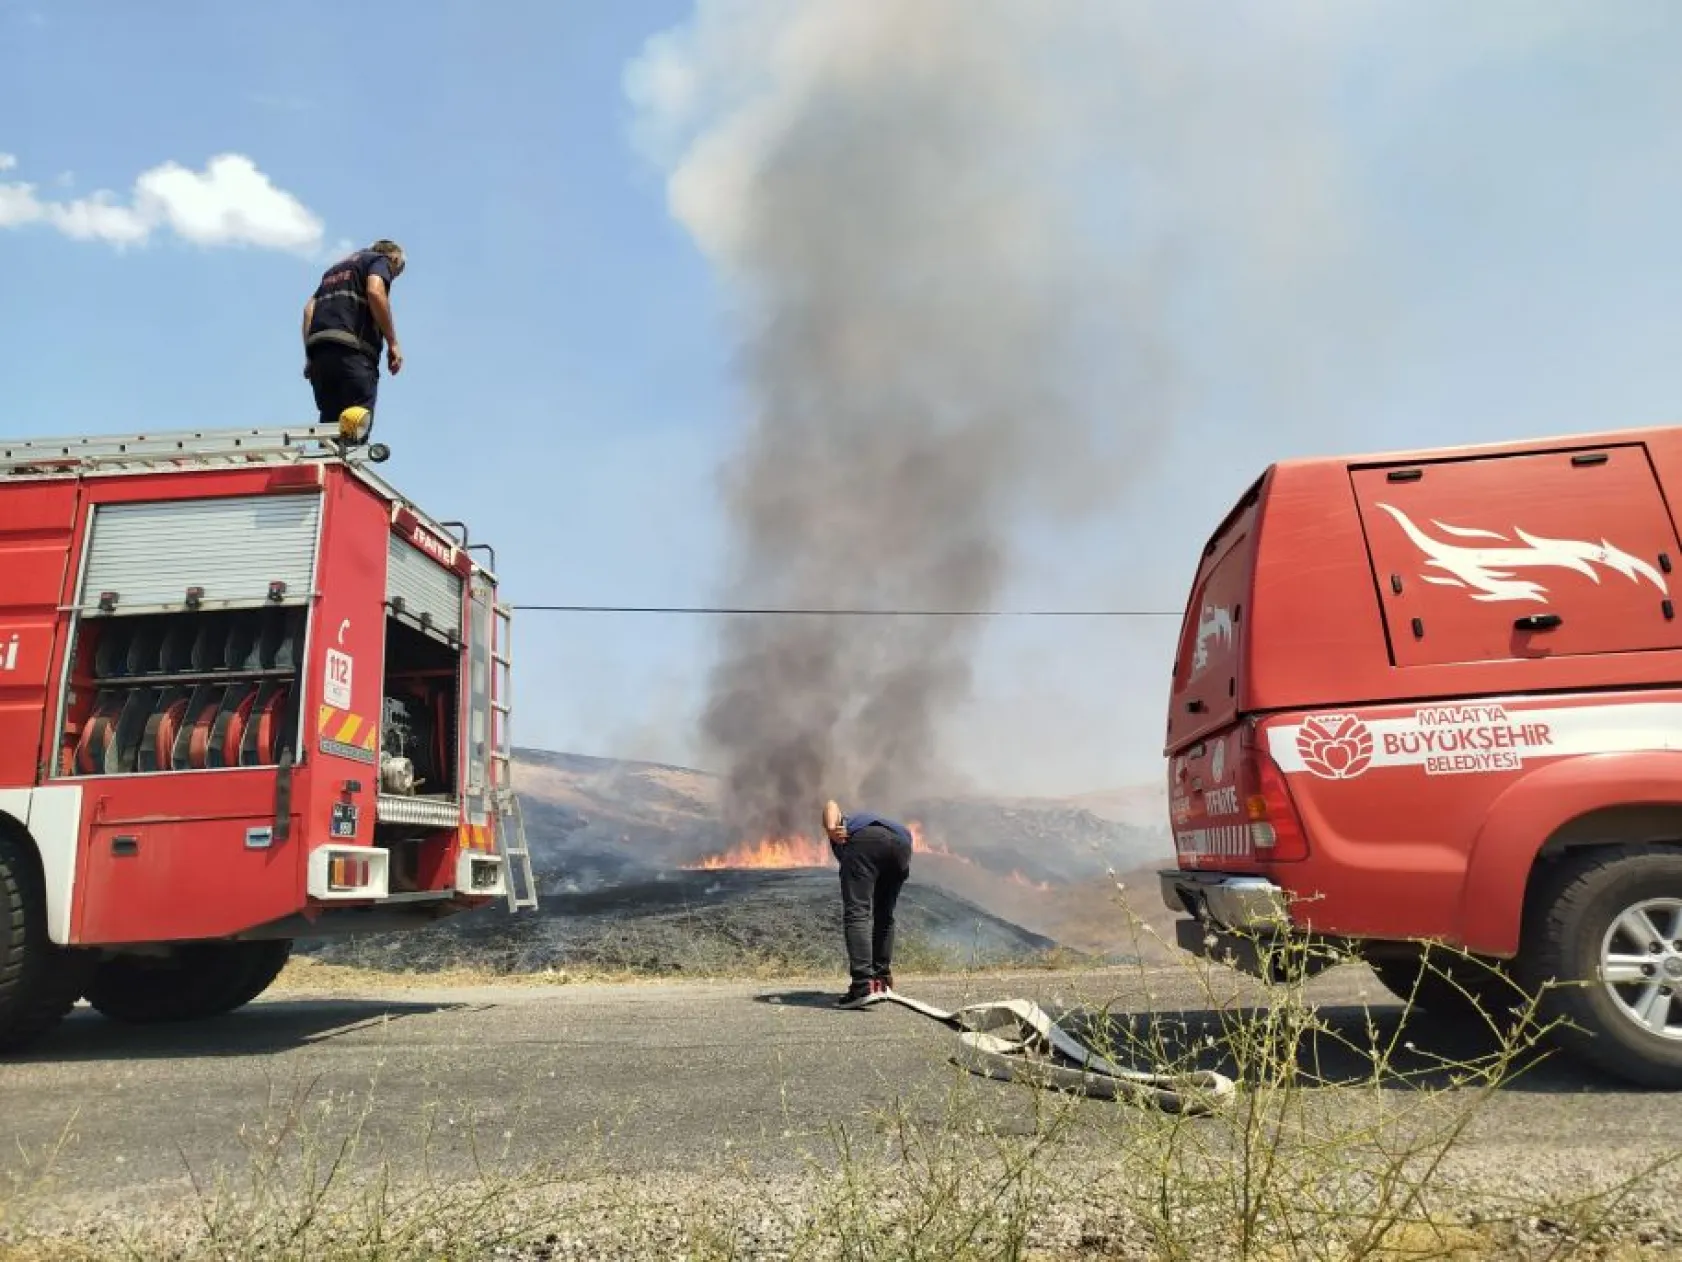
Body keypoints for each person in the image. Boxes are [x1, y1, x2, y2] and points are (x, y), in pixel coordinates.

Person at [301, 240, 406, 447]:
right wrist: (393, 342)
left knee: (330, 430)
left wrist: (309, 356)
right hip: (353, 353)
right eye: (394, 273)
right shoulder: (378, 260)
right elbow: (375, 291)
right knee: (355, 424)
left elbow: (308, 311)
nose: (390, 277)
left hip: (320, 354)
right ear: (393, 258)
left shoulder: (333, 270)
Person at [823, 799, 913, 1008]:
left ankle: (863, 986)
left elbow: (830, 804)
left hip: (866, 841)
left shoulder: (845, 826)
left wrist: (829, 829)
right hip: (902, 844)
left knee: (857, 912)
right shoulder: (882, 823)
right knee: (885, 915)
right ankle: (881, 982)